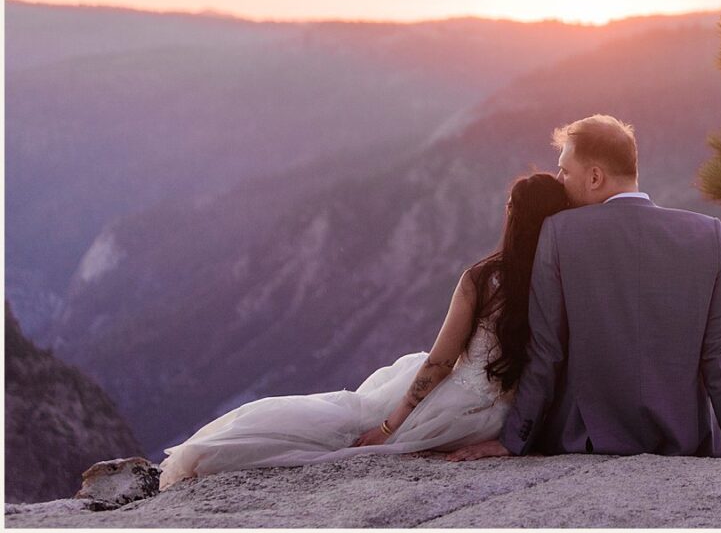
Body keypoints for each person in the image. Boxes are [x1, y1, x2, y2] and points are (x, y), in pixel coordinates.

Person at [157, 172, 570, 489]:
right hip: (501, 420)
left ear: (513, 217)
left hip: (454, 405)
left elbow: (442, 361)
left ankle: (211, 453)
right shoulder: (565, 280)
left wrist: (390, 426)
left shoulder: (483, 280)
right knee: (351, 420)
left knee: (351, 424)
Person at [446, 114, 721, 461]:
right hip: (684, 444)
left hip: (586, 441)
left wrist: (512, 441)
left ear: (594, 177)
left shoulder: (560, 233)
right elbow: (719, 353)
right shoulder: (709, 235)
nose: (559, 180)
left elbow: (546, 353)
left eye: (566, 170)